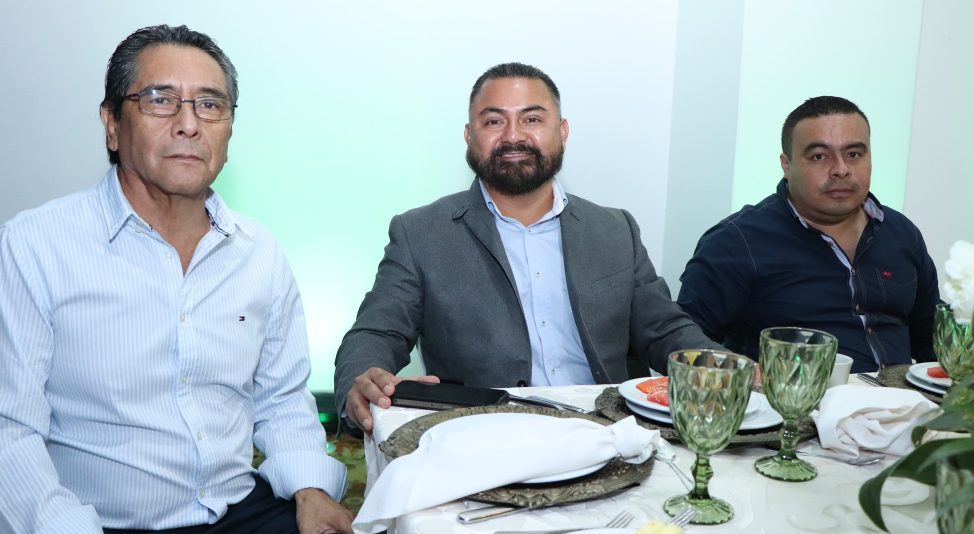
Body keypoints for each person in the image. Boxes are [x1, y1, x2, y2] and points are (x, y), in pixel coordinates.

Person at [0, 25, 386, 534]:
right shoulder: (34, 246)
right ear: (112, 124)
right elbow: (9, 434)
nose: (188, 123)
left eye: (210, 104)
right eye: (159, 99)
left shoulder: (258, 252)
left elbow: (280, 400)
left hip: (240, 517)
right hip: (105, 531)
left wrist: (309, 487)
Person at [335, 62, 718, 435]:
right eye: (493, 121)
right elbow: (376, 332)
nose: (513, 136)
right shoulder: (421, 233)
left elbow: (664, 329)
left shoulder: (615, 229)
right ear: (469, 136)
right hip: (483, 436)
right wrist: (363, 378)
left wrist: (722, 368)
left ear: (562, 131)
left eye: (532, 119)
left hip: (606, 432)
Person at [677, 96, 941, 373]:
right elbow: (688, 348)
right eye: (819, 156)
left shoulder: (901, 233)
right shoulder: (735, 242)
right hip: (794, 398)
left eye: (854, 154)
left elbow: (931, 340)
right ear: (786, 164)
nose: (841, 169)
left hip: (901, 397)